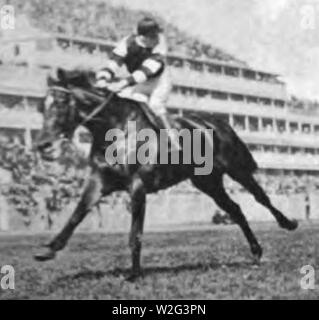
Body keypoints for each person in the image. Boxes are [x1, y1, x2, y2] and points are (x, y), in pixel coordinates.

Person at [96, 17, 180, 149]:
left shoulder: (160, 46)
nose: (156, 38)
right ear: (142, 37)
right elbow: (114, 62)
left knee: (155, 105)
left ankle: (173, 140)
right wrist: (102, 78)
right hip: (138, 81)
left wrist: (122, 83)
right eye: (153, 36)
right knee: (123, 99)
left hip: (159, 82)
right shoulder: (127, 42)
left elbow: (144, 72)